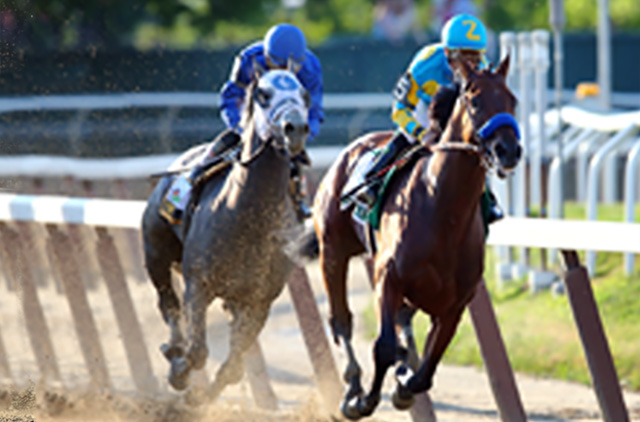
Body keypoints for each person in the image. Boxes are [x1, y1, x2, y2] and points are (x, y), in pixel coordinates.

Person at [160, 23, 323, 224]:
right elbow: (230, 97)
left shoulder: (311, 68)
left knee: (297, 161)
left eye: (289, 67)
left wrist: (303, 134)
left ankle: (299, 203)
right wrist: (239, 127)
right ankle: (181, 192)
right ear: (266, 56)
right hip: (251, 121)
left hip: (286, 125)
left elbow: (315, 110)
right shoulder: (249, 59)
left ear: (300, 61)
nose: (281, 71)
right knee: (221, 147)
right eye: (276, 65)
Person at [356, 13, 504, 223]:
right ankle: (372, 181)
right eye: (462, 57)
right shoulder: (425, 65)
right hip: (424, 107)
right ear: (447, 52)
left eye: (475, 57)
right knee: (406, 138)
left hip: (458, 110)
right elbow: (399, 109)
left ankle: (487, 198)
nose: (470, 65)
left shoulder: (483, 69)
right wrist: (421, 133)